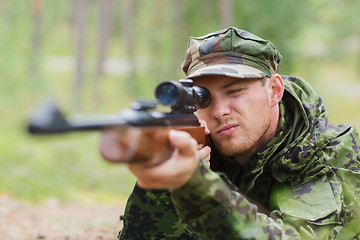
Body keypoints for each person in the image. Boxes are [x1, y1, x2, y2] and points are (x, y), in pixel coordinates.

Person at [101, 27, 360, 239]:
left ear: (274, 91)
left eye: (235, 91)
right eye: (204, 99)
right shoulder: (201, 146)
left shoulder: (331, 152)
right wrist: (164, 185)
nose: (220, 111)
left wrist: (196, 184)